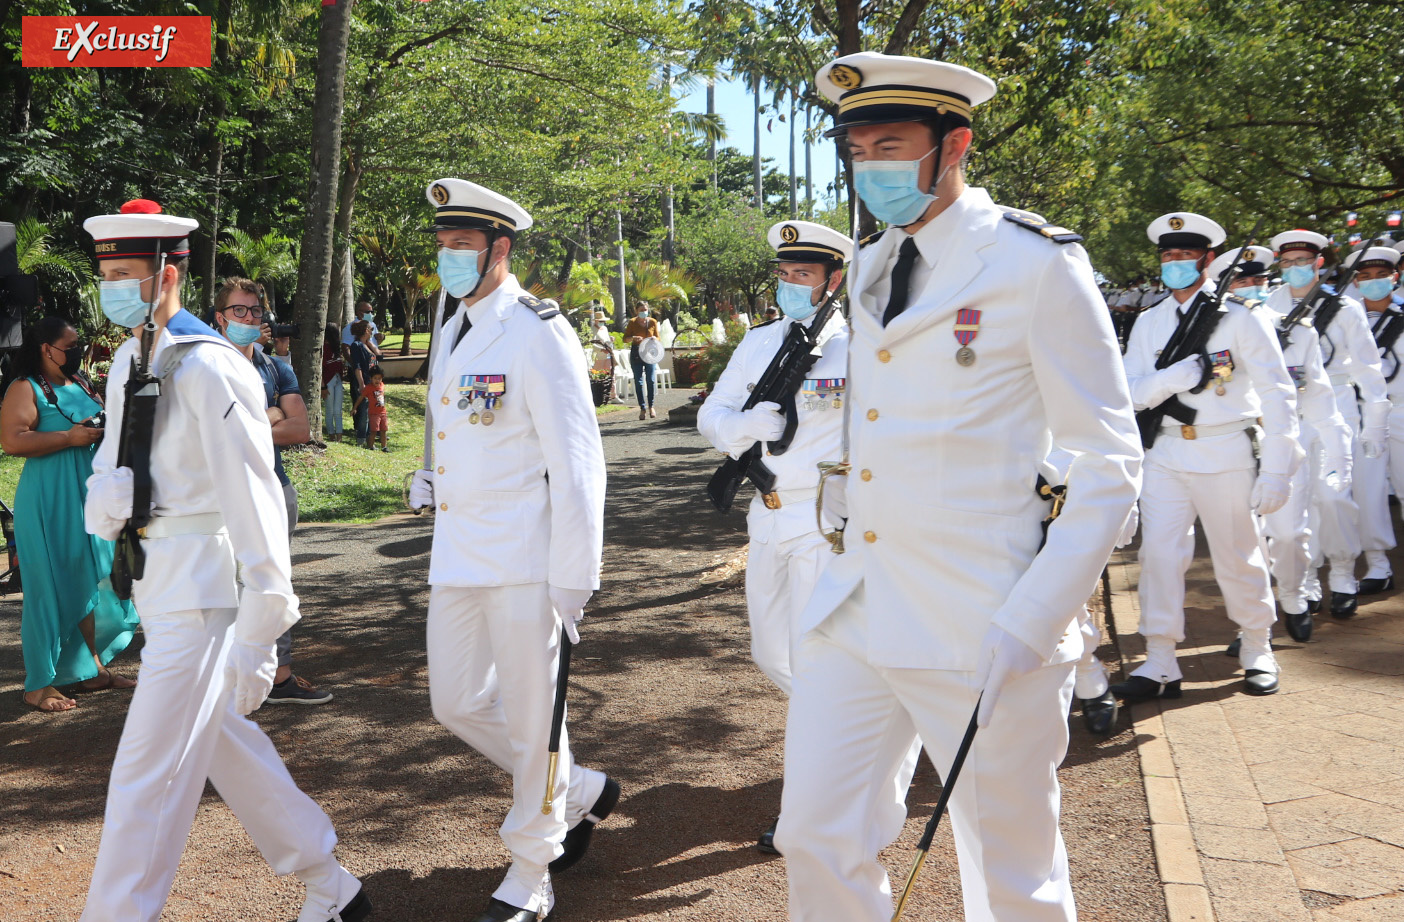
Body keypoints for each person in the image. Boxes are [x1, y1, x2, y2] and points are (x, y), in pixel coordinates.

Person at [775, 53, 1141, 922]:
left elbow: (1108, 457)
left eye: (891, 145)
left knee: (1010, 871)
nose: (871, 168)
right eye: (857, 149)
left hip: (984, 614)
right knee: (814, 835)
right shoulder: (867, 265)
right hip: (858, 600)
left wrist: (1037, 614)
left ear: (954, 145)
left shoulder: (1032, 263)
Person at [79, 200, 367, 922]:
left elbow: (256, 498)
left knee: (147, 774)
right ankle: (331, 884)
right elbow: (119, 456)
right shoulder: (128, 356)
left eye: (125, 273)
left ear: (167, 272)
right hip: (154, 578)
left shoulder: (210, 366)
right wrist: (110, 494)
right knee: (219, 745)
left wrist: (263, 626)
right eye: (106, 273)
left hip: (203, 587)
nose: (112, 287)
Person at [408, 178, 616, 922]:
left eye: (462, 246)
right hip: (460, 549)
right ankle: (583, 789)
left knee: (533, 717)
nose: (449, 259)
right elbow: (458, 422)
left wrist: (575, 573)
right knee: (455, 700)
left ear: (500, 248)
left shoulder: (537, 329)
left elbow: (579, 458)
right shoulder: (453, 324)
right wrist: (431, 473)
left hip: (528, 558)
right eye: (443, 246)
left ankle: (533, 866)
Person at [698, 219, 900, 854]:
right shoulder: (759, 343)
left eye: (802, 276)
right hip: (768, 514)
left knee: (814, 664)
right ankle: (863, 724)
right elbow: (711, 413)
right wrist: (743, 427)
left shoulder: (860, 345)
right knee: (771, 654)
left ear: (832, 281)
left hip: (824, 524)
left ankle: (808, 807)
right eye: (783, 275)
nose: (788, 286)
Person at [1113, 213, 1298, 705]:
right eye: (1168, 256)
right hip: (1167, 450)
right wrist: (1172, 379)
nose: (1175, 264)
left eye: (1185, 255)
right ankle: (1159, 659)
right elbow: (1130, 394)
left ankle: (1257, 646)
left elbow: (1278, 393)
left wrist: (1279, 465)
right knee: (1158, 555)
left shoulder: (1241, 315)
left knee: (1237, 552)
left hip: (1226, 447)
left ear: (1208, 259)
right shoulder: (1149, 321)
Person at [1209, 246, 1350, 645]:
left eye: (1259, 280)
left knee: (1288, 535)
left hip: (1282, 444)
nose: (1252, 288)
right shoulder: (1211, 332)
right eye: (1242, 281)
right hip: (1231, 445)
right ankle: (1252, 625)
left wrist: (1340, 452)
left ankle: (1292, 596)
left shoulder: (1298, 330)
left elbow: (1319, 395)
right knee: (1241, 544)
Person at [0, 317, 139, 712]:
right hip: (50, 497)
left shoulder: (77, 382)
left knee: (95, 579)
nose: (78, 349)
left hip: (89, 494)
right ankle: (38, 684)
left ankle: (89, 668)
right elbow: (11, 440)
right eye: (71, 343)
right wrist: (68, 437)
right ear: (47, 348)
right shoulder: (24, 387)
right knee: (50, 585)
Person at [212, 277, 332, 705]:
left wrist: (246, 424)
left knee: (272, 583)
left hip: (272, 489)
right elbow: (211, 434)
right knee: (220, 585)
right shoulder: (204, 366)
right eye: (239, 311)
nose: (248, 318)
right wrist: (272, 412)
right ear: (219, 317)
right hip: (216, 497)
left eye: (255, 311)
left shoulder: (274, 367)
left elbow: (300, 428)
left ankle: (278, 677)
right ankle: (224, 677)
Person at [1265, 229, 1388, 618]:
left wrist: (1375, 423)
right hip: (1290, 410)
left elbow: (1369, 369)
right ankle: (1308, 580)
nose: (1295, 269)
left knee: (1334, 496)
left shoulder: (1346, 308)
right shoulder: (1268, 306)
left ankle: (1342, 572)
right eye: (1287, 262)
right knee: (1297, 502)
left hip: (1336, 407)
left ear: (1318, 263)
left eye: (1303, 261)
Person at [1349, 244, 1404, 592]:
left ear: (1394, 277)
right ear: (1356, 282)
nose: (1373, 282)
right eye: (1365, 277)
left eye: (1381, 275)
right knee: (1368, 491)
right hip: (1364, 413)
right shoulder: (1344, 320)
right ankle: (1378, 566)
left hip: (1402, 408)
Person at [623, 301, 659, 419]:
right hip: (636, 353)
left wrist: (654, 338)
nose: (644, 312)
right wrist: (633, 338)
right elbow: (625, 339)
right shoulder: (632, 322)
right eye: (641, 310)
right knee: (638, 381)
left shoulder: (652, 321)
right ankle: (642, 408)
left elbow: (658, 337)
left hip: (649, 352)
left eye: (645, 310)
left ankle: (651, 406)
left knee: (651, 380)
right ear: (637, 311)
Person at [346, 319, 375, 444]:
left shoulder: (366, 345)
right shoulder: (356, 345)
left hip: (372, 382)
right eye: (371, 329)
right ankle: (361, 439)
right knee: (363, 411)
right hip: (364, 382)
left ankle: (369, 437)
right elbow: (357, 366)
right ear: (366, 330)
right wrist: (361, 383)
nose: (372, 332)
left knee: (369, 410)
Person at [322, 323, 346, 441]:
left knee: (338, 410)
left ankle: (339, 436)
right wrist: (323, 387)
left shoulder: (337, 347)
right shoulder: (323, 348)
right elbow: (320, 369)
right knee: (330, 410)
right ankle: (331, 434)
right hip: (328, 382)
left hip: (338, 380)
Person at [356, 367, 389, 451]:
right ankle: (370, 446)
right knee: (374, 431)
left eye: (379, 378)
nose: (377, 380)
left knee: (383, 430)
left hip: (383, 413)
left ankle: (384, 447)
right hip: (374, 413)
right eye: (375, 378)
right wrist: (354, 408)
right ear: (371, 378)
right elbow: (361, 398)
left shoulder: (382, 385)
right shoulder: (368, 388)